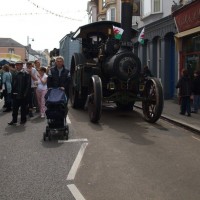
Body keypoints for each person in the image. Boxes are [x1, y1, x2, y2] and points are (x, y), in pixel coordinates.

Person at [8, 60, 31, 125]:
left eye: (18, 65)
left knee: (23, 109)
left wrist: (25, 94)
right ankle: (14, 120)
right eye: (16, 65)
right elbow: (12, 83)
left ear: (21, 65)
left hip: (23, 94)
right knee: (15, 109)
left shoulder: (26, 73)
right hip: (15, 94)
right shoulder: (14, 73)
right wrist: (12, 92)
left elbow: (28, 85)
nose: (17, 66)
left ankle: (23, 120)